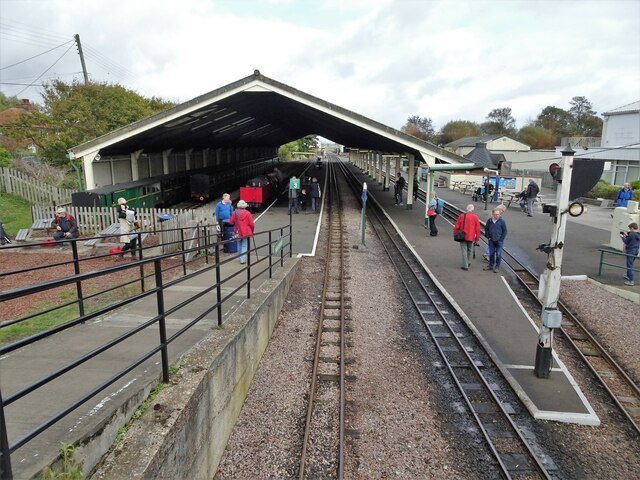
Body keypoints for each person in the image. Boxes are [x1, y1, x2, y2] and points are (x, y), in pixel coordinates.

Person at [453, 204, 481, 271]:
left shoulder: (462, 216)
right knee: (469, 249)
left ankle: (465, 265)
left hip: (463, 236)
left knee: (464, 250)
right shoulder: (475, 217)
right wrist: (477, 238)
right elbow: (477, 229)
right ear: (472, 209)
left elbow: (457, 226)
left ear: (467, 209)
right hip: (471, 236)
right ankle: (468, 262)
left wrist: (455, 233)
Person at [227, 199, 255, 264]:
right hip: (246, 232)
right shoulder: (247, 213)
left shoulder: (234, 213)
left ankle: (240, 257)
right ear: (244, 206)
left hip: (237, 231)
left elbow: (231, 222)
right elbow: (251, 224)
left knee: (239, 244)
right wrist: (252, 231)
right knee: (244, 245)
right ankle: (242, 259)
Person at [483, 208, 508, 273]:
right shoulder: (490, 221)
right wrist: (488, 237)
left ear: (499, 214)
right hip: (491, 240)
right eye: (495, 214)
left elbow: (505, 231)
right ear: (493, 214)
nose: (497, 216)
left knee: (498, 254)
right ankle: (491, 265)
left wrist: (501, 239)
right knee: (491, 253)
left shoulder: (502, 221)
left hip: (499, 241)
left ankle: (497, 267)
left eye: (498, 214)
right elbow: (486, 229)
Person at [621, 222, 639, 286]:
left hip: (631, 251)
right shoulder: (638, 234)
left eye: (629, 228)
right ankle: (628, 275)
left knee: (629, 265)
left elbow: (626, 241)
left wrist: (623, 236)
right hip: (636, 251)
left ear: (632, 228)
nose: (629, 230)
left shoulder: (631, 234)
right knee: (631, 264)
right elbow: (633, 240)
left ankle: (631, 280)